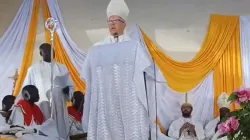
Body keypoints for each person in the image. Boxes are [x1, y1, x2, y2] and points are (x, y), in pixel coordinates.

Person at [81, 0, 152, 139]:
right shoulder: (97, 49)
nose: (112, 23)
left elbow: (145, 72)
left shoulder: (134, 47)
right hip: (105, 105)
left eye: (116, 20)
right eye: (109, 21)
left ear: (124, 23)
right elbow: (88, 77)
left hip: (128, 103)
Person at [15, 43, 74, 139]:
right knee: (46, 131)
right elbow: (26, 89)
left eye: (52, 50)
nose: (50, 52)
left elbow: (70, 86)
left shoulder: (62, 68)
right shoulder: (33, 69)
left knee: (61, 131)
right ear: (41, 53)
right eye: (46, 51)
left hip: (59, 106)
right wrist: (17, 105)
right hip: (43, 107)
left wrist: (68, 90)